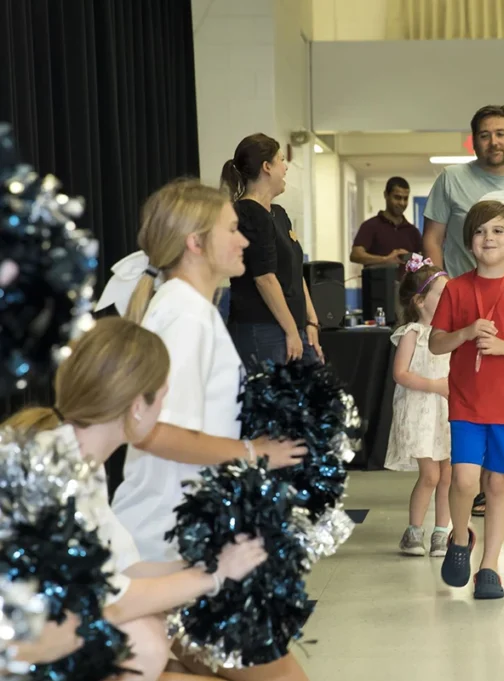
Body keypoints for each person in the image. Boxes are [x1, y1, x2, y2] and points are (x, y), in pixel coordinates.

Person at [103, 179, 310, 681]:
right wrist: (252, 451)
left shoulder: (192, 310)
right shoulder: (184, 315)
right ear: (195, 242)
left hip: (189, 535)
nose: (244, 241)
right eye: (233, 230)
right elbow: (151, 431)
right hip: (170, 541)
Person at [4, 317, 267, 681]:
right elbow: (113, 603)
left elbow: (122, 572)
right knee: (144, 639)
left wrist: (215, 558)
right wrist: (217, 574)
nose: (163, 406)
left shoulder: (78, 463)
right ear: (137, 406)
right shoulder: (56, 478)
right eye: (162, 394)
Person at [422, 104, 504, 514]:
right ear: (472, 140)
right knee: (470, 389)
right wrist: (441, 285)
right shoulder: (452, 179)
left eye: (501, 133)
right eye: (485, 134)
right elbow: (433, 240)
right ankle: (471, 477)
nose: (494, 141)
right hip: (468, 307)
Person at [428, 201, 504, 599]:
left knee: (498, 485)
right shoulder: (457, 289)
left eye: (498, 231)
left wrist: (502, 346)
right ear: (469, 243)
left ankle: (490, 567)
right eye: (480, 232)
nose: (489, 238)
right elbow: (435, 342)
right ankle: (460, 539)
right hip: (466, 402)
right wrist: (465, 333)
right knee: (464, 480)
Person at [221, 133, 323, 370]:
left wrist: (311, 320)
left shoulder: (278, 214)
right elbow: (265, 279)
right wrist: (291, 331)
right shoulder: (248, 213)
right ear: (267, 167)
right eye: (281, 160)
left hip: (292, 325)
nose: (286, 168)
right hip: (262, 328)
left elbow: (296, 271)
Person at [384, 255, 452, 558]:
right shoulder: (412, 333)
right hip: (422, 409)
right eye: (443, 295)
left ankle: (442, 531)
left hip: (447, 412)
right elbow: (401, 373)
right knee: (431, 475)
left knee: (448, 474)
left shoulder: (450, 333)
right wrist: (436, 386)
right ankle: (414, 530)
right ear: (420, 301)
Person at [350, 176, 422, 267]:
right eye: (397, 198)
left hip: (407, 281)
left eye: (405, 198)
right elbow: (355, 255)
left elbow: (421, 262)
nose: (402, 203)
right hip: (377, 281)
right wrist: (385, 260)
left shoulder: (413, 231)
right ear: (386, 195)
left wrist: (409, 258)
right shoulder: (370, 226)